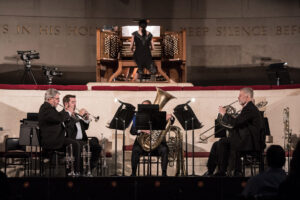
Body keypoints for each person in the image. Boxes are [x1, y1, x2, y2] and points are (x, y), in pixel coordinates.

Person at [217, 87, 265, 176]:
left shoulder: (249, 108)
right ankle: (215, 170)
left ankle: (223, 171)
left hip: (250, 143)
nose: (238, 97)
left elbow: (235, 123)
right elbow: (239, 125)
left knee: (222, 142)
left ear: (247, 97)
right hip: (245, 140)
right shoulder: (248, 108)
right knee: (217, 144)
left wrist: (224, 113)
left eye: (240, 95)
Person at [38, 88, 82, 174]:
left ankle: (71, 170)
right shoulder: (46, 108)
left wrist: (67, 113)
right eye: (57, 99)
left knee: (75, 143)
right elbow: (58, 118)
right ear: (50, 99)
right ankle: (75, 172)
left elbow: (58, 118)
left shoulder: (49, 108)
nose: (58, 101)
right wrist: (68, 112)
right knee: (75, 145)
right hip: (52, 141)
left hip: (56, 138)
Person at [130, 100, 174, 176]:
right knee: (135, 149)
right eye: (143, 107)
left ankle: (164, 174)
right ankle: (133, 173)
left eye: (147, 107)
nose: (145, 109)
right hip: (142, 145)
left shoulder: (158, 116)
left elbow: (171, 121)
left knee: (164, 149)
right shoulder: (138, 117)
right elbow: (132, 131)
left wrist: (171, 117)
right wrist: (142, 130)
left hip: (157, 146)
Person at [61, 94, 102, 170]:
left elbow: (84, 128)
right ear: (66, 104)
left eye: (75, 102)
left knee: (96, 144)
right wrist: (79, 116)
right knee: (89, 146)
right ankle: (84, 168)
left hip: (82, 140)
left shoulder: (76, 115)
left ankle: (90, 166)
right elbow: (68, 127)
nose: (75, 104)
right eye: (72, 102)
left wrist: (86, 119)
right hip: (73, 141)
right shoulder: (63, 115)